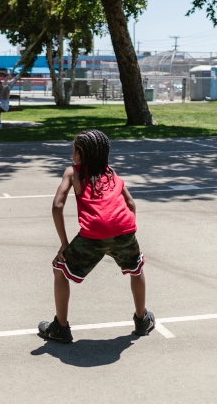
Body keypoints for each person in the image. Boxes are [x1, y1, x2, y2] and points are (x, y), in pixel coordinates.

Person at [38, 129, 154, 343]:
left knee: (60, 269)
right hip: (124, 229)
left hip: (93, 234)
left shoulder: (73, 172)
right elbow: (130, 204)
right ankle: (142, 319)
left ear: (79, 155)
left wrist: (64, 243)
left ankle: (61, 328)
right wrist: (128, 232)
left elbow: (57, 206)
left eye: (73, 149)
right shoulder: (111, 172)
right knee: (136, 269)